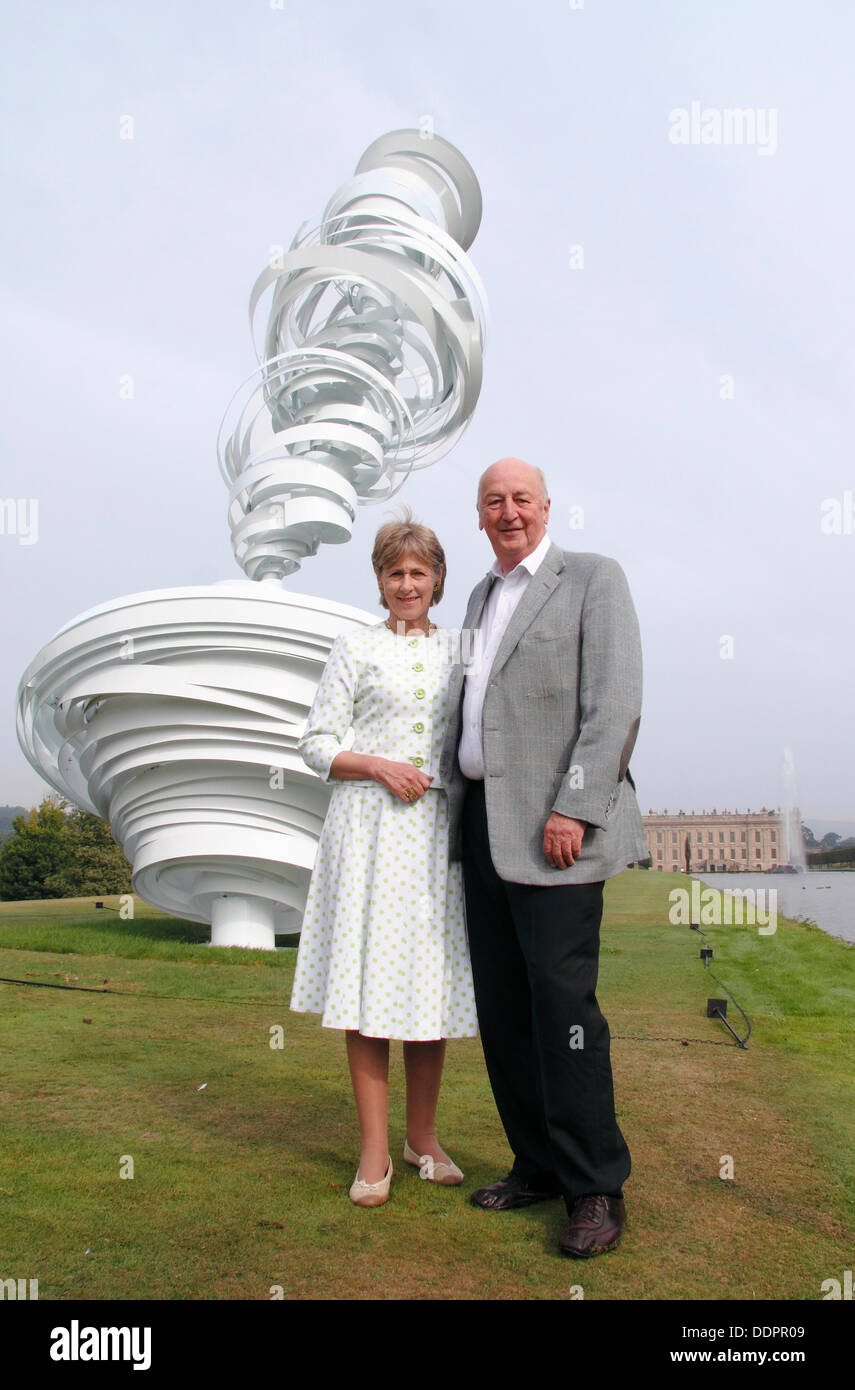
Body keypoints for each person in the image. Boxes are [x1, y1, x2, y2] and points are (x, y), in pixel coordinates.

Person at [439, 458, 648, 1257]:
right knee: (504, 1010)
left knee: (563, 1014)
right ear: (479, 516)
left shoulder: (593, 578)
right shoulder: (479, 598)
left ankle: (594, 1186)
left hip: (555, 831)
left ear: (546, 507)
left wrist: (575, 805)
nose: (507, 510)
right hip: (482, 827)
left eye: (520, 498)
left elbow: (615, 701)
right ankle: (536, 1165)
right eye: (492, 500)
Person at [290, 512, 477, 1207]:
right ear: (378, 580)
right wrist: (374, 766)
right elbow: (316, 745)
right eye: (394, 572)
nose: (407, 584)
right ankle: (373, 1153)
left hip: (437, 840)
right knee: (369, 995)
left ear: (437, 579)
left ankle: (422, 1139)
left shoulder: (463, 648)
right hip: (367, 833)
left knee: (427, 991)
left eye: (418, 572)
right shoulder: (353, 647)